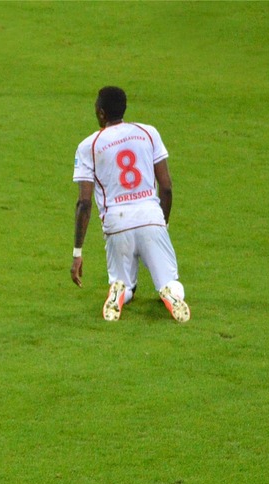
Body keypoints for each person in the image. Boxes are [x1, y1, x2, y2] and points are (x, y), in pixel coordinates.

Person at [70, 86, 191, 323]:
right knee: (170, 281)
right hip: (150, 215)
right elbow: (165, 186)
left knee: (123, 283)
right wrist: (161, 224)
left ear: (102, 113)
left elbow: (84, 202)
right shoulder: (148, 133)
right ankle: (169, 294)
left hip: (117, 222)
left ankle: (119, 291)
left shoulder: (89, 146)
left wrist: (77, 252)